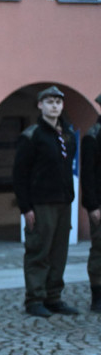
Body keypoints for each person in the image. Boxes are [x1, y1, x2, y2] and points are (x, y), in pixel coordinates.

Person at [13, 85, 79, 317]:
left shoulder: (67, 135)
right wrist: (26, 207)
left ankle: (54, 296)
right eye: (50, 102)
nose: (54, 106)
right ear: (40, 105)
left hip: (63, 201)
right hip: (41, 203)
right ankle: (35, 298)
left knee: (59, 252)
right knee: (38, 251)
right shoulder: (32, 136)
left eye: (58, 102)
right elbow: (19, 174)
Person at [82, 92, 101, 313]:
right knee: (99, 251)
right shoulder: (93, 136)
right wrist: (93, 205)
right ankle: (97, 295)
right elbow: (88, 175)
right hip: (100, 204)